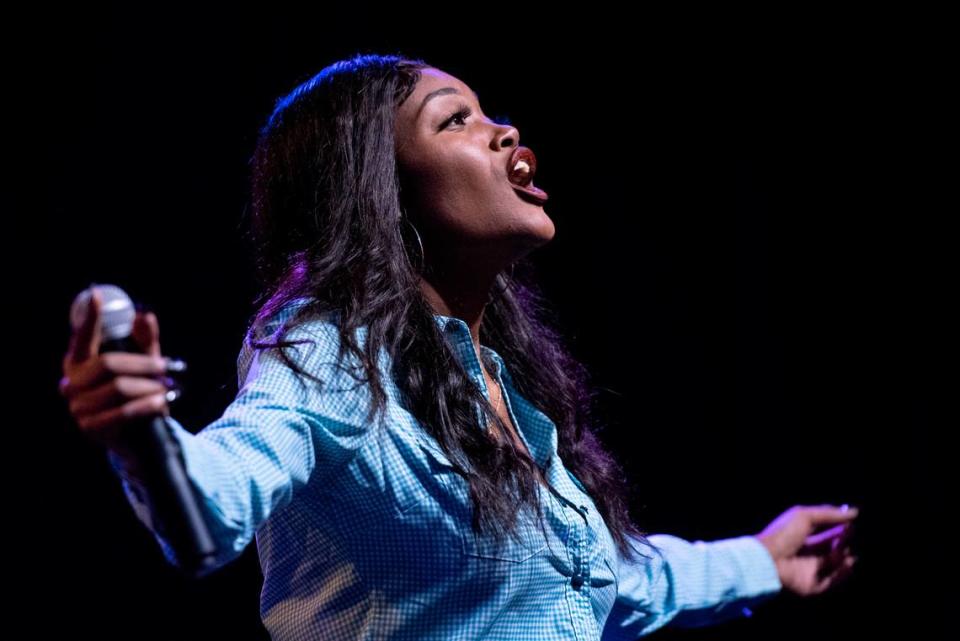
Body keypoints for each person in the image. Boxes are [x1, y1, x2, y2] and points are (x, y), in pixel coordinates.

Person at [58, 53, 859, 640]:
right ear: (382, 188)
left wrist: (762, 559)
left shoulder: (494, 383)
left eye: (486, 111)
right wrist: (144, 437)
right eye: (456, 119)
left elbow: (608, 582)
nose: (504, 128)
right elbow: (209, 507)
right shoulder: (329, 349)